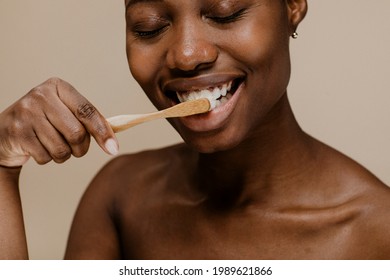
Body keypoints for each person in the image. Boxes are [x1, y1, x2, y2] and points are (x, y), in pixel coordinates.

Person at [1, 0, 390, 259]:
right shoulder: (121, 197)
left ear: (292, 5)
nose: (187, 54)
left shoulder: (376, 235)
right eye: (149, 27)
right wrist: (3, 166)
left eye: (225, 12)